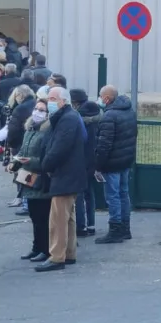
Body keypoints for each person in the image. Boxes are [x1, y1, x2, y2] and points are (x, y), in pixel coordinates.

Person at [28, 87, 85, 272]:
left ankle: (57, 257)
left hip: (65, 174)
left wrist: (46, 164)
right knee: (68, 217)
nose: (49, 101)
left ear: (63, 101)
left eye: (53, 98)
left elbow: (60, 147)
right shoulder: (67, 117)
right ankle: (68, 253)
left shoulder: (68, 119)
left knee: (58, 219)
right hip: (69, 174)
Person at [94, 85, 138, 245]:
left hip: (112, 163)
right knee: (123, 194)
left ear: (106, 98)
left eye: (100, 96)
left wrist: (98, 165)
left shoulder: (109, 116)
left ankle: (115, 229)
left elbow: (104, 144)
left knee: (112, 196)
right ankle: (125, 228)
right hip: (125, 161)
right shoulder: (129, 111)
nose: (99, 99)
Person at [15, 99, 54, 262]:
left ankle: (45, 249)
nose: (37, 112)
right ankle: (36, 247)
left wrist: (29, 161)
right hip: (28, 177)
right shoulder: (29, 129)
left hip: (41, 180)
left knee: (42, 217)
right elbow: (23, 151)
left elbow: (47, 159)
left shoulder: (47, 132)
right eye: (36, 109)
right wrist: (15, 162)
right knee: (33, 215)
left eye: (42, 110)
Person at [70, 89, 102, 237]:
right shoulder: (98, 116)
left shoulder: (78, 119)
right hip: (94, 159)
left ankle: (81, 226)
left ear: (75, 102)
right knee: (90, 193)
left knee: (79, 194)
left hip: (80, 159)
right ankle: (91, 225)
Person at [5, 85, 38, 209]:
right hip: (33, 142)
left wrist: (11, 144)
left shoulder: (19, 109)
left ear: (20, 95)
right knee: (29, 173)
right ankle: (25, 199)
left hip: (20, 144)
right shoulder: (36, 104)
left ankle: (23, 200)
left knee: (20, 173)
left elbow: (13, 130)